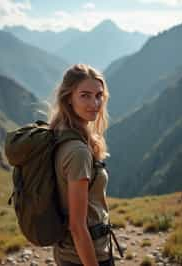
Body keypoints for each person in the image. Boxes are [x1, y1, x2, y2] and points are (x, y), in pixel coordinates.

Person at [48, 64, 113, 266]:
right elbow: (77, 226)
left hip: (68, 253)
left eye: (99, 95)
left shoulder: (59, 134)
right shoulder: (78, 152)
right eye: (85, 95)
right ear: (69, 98)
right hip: (84, 256)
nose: (95, 103)